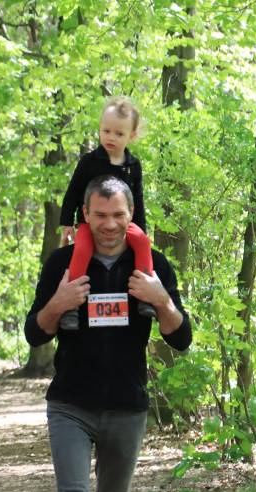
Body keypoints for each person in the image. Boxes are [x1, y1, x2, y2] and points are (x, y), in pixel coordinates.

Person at [25, 175, 192, 492]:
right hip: (70, 405)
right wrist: (59, 303)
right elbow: (35, 334)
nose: (110, 225)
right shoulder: (62, 262)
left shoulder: (152, 264)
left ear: (131, 215)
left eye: (119, 215)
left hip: (127, 406)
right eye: (100, 215)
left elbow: (181, 339)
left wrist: (161, 300)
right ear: (85, 214)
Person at [57, 96, 155, 330]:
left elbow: (137, 201)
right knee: (81, 250)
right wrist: (67, 222)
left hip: (123, 223)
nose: (111, 137)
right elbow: (73, 192)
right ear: (99, 129)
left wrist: (140, 228)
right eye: (106, 131)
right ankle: (71, 307)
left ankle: (145, 296)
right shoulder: (90, 161)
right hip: (88, 223)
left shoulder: (133, 166)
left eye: (119, 134)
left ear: (131, 136)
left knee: (143, 243)